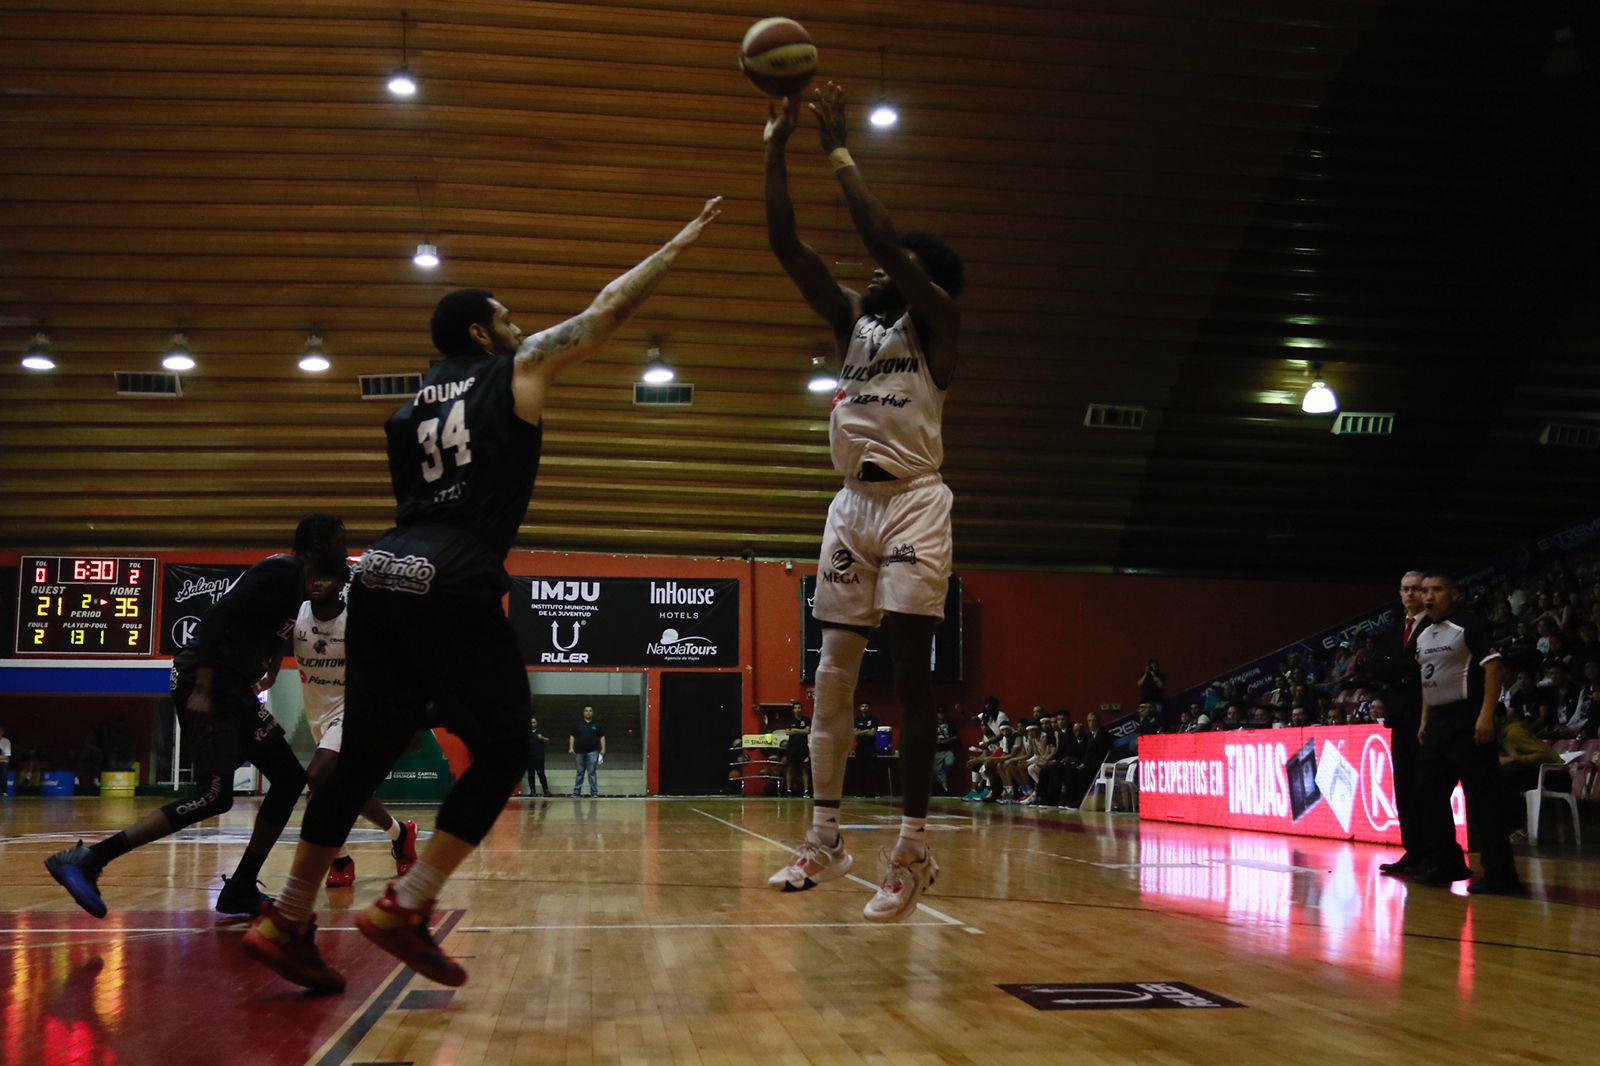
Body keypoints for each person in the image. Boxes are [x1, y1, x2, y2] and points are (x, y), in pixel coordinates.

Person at [241, 199, 723, 992]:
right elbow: (608, 309)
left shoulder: (404, 413)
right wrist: (683, 238)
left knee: (356, 762)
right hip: (455, 572)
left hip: (384, 569)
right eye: (504, 317)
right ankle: (406, 903)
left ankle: (288, 917)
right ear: (478, 334)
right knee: (503, 749)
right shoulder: (516, 369)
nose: (514, 325)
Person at [760, 82, 965, 922]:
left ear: (920, 280)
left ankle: (913, 850)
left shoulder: (940, 322)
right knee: (832, 676)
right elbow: (787, 245)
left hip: (915, 502)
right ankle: (826, 837)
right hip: (851, 505)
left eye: (892, 268)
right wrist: (776, 141)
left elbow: (883, 237)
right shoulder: (855, 323)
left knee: (912, 674)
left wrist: (838, 150)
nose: (874, 271)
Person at [45, 516, 349, 920]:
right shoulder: (280, 571)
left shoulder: (301, 586)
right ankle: (87, 859)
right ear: (319, 543)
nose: (345, 548)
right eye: (340, 540)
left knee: (290, 779)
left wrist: (273, 667)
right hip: (205, 681)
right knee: (213, 796)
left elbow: (279, 630)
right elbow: (215, 620)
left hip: (235, 688)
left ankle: (241, 888)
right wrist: (203, 688)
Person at [294, 588, 418, 888]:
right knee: (346, 789)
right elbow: (273, 641)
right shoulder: (298, 613)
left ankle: (340, 858)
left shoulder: (359, 619)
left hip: (353, 709)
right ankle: (400, 834)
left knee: (318, 775)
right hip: (317, 713)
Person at [1412, 571, 1524, 894]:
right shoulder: (1423, 634)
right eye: (1425, 591)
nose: (1429, 596)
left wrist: (1486, 715)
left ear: (1454, 594)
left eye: (1436, 590)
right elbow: (1427, 679)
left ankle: (1501, 876)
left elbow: (1493, 668)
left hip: (1467, 718)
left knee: (1483, 799)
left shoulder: (1469, 624)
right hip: (1437, 722)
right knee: (1428, 793)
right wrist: (1424, 720)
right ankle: (1447, 862)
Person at [1368, 571, 1432, 876]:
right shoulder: (1394, 631)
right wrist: (1403, 670)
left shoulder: (1435, 627)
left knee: (1425, 785)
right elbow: (1375, 667)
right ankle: (1413, 849)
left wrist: (1398, 670)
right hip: (1400, 717)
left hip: (1425, 716)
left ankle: (1433, 852)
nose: (1410, 595)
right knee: (1404, 787)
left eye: (1416, 589)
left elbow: (1420, 668)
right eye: (1405, 589)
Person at [570, 706, 605, 798]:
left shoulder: (597, 725)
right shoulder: (577, 724)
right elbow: (572, 736)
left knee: (592, 772)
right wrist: (571, 747)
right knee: (580, 772)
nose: (588, 712)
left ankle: (594, 792)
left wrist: (603, 749)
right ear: (583, 713)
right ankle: (576, 792)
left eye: (590, 711)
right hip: (579, 752)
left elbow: (602, 737)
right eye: (586, 711)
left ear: (592, 713)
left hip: (593, 752)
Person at [782, 702, 811, 797]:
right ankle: (789, 791)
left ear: (801, 709)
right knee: (790, 768)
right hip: (792, 748)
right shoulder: (789, 720)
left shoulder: (806, 719)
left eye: (799, 707)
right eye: (796, 708)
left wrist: (795, 730)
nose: (797, 709)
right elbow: (787, 732)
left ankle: (806, 791)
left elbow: (807, 731)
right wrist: (799, 731)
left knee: (805, 769)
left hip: (803, 748)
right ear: (793, 710)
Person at [932, 708, 960, 793]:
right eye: (939, 712)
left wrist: (948, 740)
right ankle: (944, 784)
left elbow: (956, 736)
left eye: (942, 712)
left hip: (948, 749)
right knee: (937, 769)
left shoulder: (950, 724)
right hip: (937, 750)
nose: (941, 714)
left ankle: (943, 780)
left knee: (950, 763)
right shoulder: (932, 725)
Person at [525, 715, 552, 798]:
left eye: (534, 722)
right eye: (531, 723)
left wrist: (542, 738)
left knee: (541, 773)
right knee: (531, 774)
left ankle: (546, 790)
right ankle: (532, 790)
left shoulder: (541, 731)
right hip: (529, 757)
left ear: (537, 723)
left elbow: (548, 740)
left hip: (539, 756)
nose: (532, 724)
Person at [0, 724, 11, 797]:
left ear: (2, 732)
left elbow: (6, 757)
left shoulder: (6, 741)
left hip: (3, 762)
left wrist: (2, 758)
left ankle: (4, 792)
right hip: (2, 759)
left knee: (4, 772)